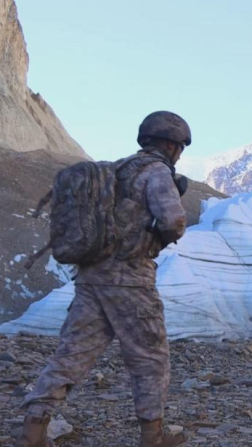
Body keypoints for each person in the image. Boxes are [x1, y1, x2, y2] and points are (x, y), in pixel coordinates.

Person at [17, 112, 191, 447]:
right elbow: (174, 221)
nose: (179, 153)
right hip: (131, 281)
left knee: (72, 353)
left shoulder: (115, 170)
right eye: (179, 147)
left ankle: (33, 430)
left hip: (91, 277)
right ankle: (152, 436)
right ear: (170, 144)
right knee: (150, 356)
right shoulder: (156, 172)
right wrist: (155, 234)